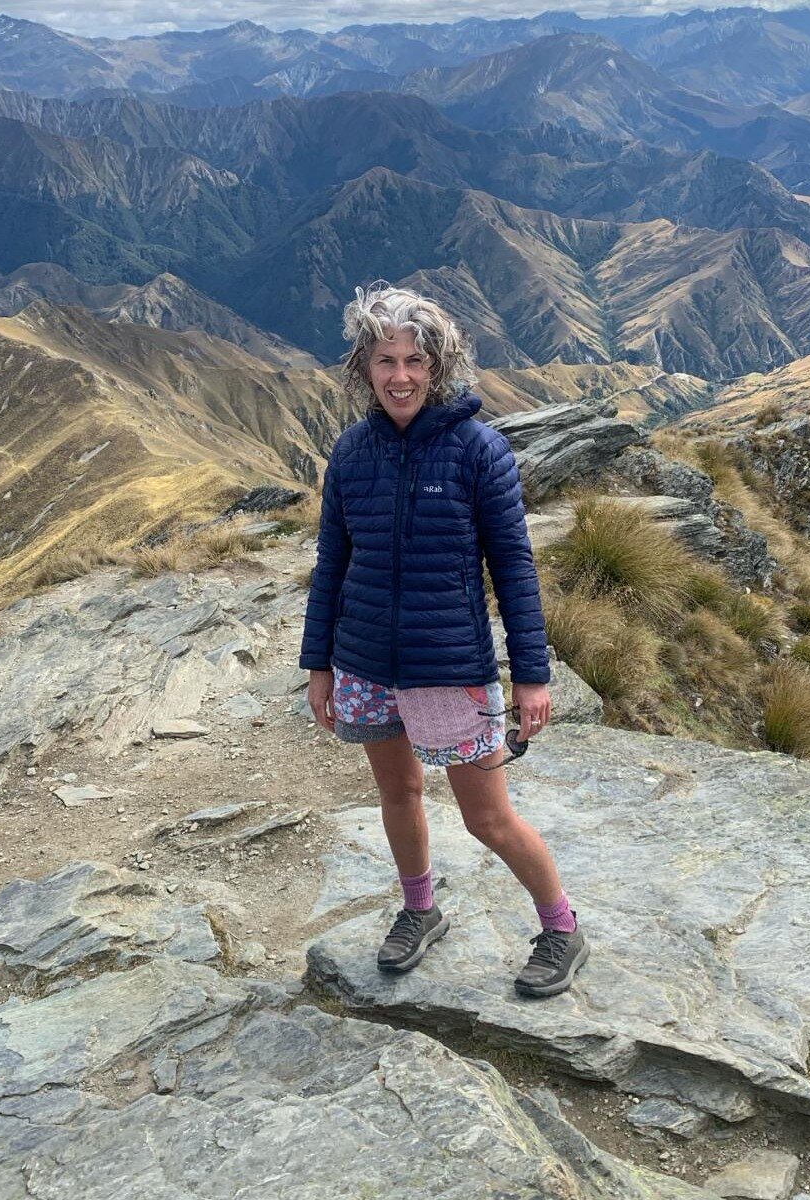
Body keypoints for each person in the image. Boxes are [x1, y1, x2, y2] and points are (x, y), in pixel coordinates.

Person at [299, 281, 589, 998]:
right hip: (365, 661)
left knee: (487, 816)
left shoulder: (477, 451)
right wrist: (319, 665)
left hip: (449, 668)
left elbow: (514, 566)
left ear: (439, 366)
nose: (400, 376)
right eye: (386, 359)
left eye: (414, 361)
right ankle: (419, 910)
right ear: (364, 367)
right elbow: (332, 562)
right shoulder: (352, 453)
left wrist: (531, 674)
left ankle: (561, 928)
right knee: (398, 793)